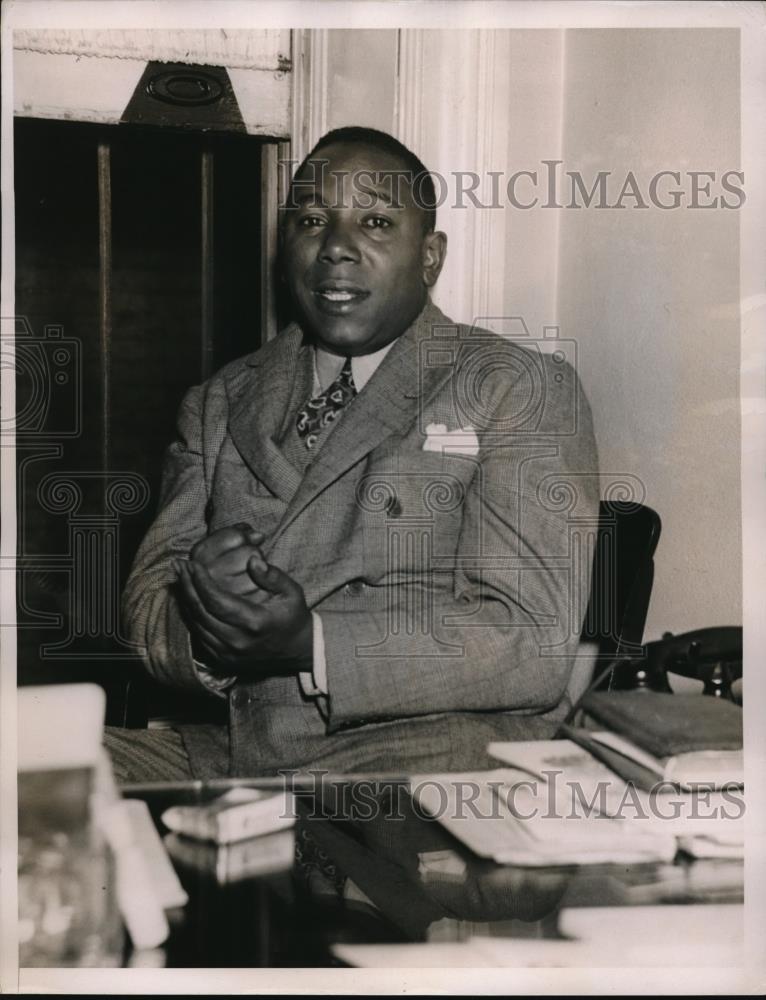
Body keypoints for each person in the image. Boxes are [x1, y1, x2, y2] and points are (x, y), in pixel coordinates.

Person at [111, 126, 599, 783]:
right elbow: (146, 613)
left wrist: (310, 643)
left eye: (375, 222)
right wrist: (208, 622)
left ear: (430, 257)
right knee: (29, 769)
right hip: (242, 757)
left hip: (424, 771)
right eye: (312, 219)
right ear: (285, 246)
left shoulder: (515, 387)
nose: (337, 248)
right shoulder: (221, 400)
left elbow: (531, 642)